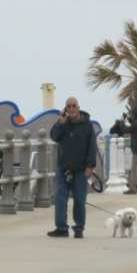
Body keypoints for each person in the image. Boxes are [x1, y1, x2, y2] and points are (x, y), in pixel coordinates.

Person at [48, 97, 97, 238]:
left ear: (78, 107)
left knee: (80, 200)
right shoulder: (63, 124)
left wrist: (90, 166)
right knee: (60, 198)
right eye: (68, 106)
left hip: (81, 169)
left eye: (73, 106)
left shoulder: (87, 125)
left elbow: (92, 147)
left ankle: (79, 228)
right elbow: (54, 136)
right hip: (64, 168)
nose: (71, 109)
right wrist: (59, 123)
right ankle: (61, 228)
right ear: (65, 109)